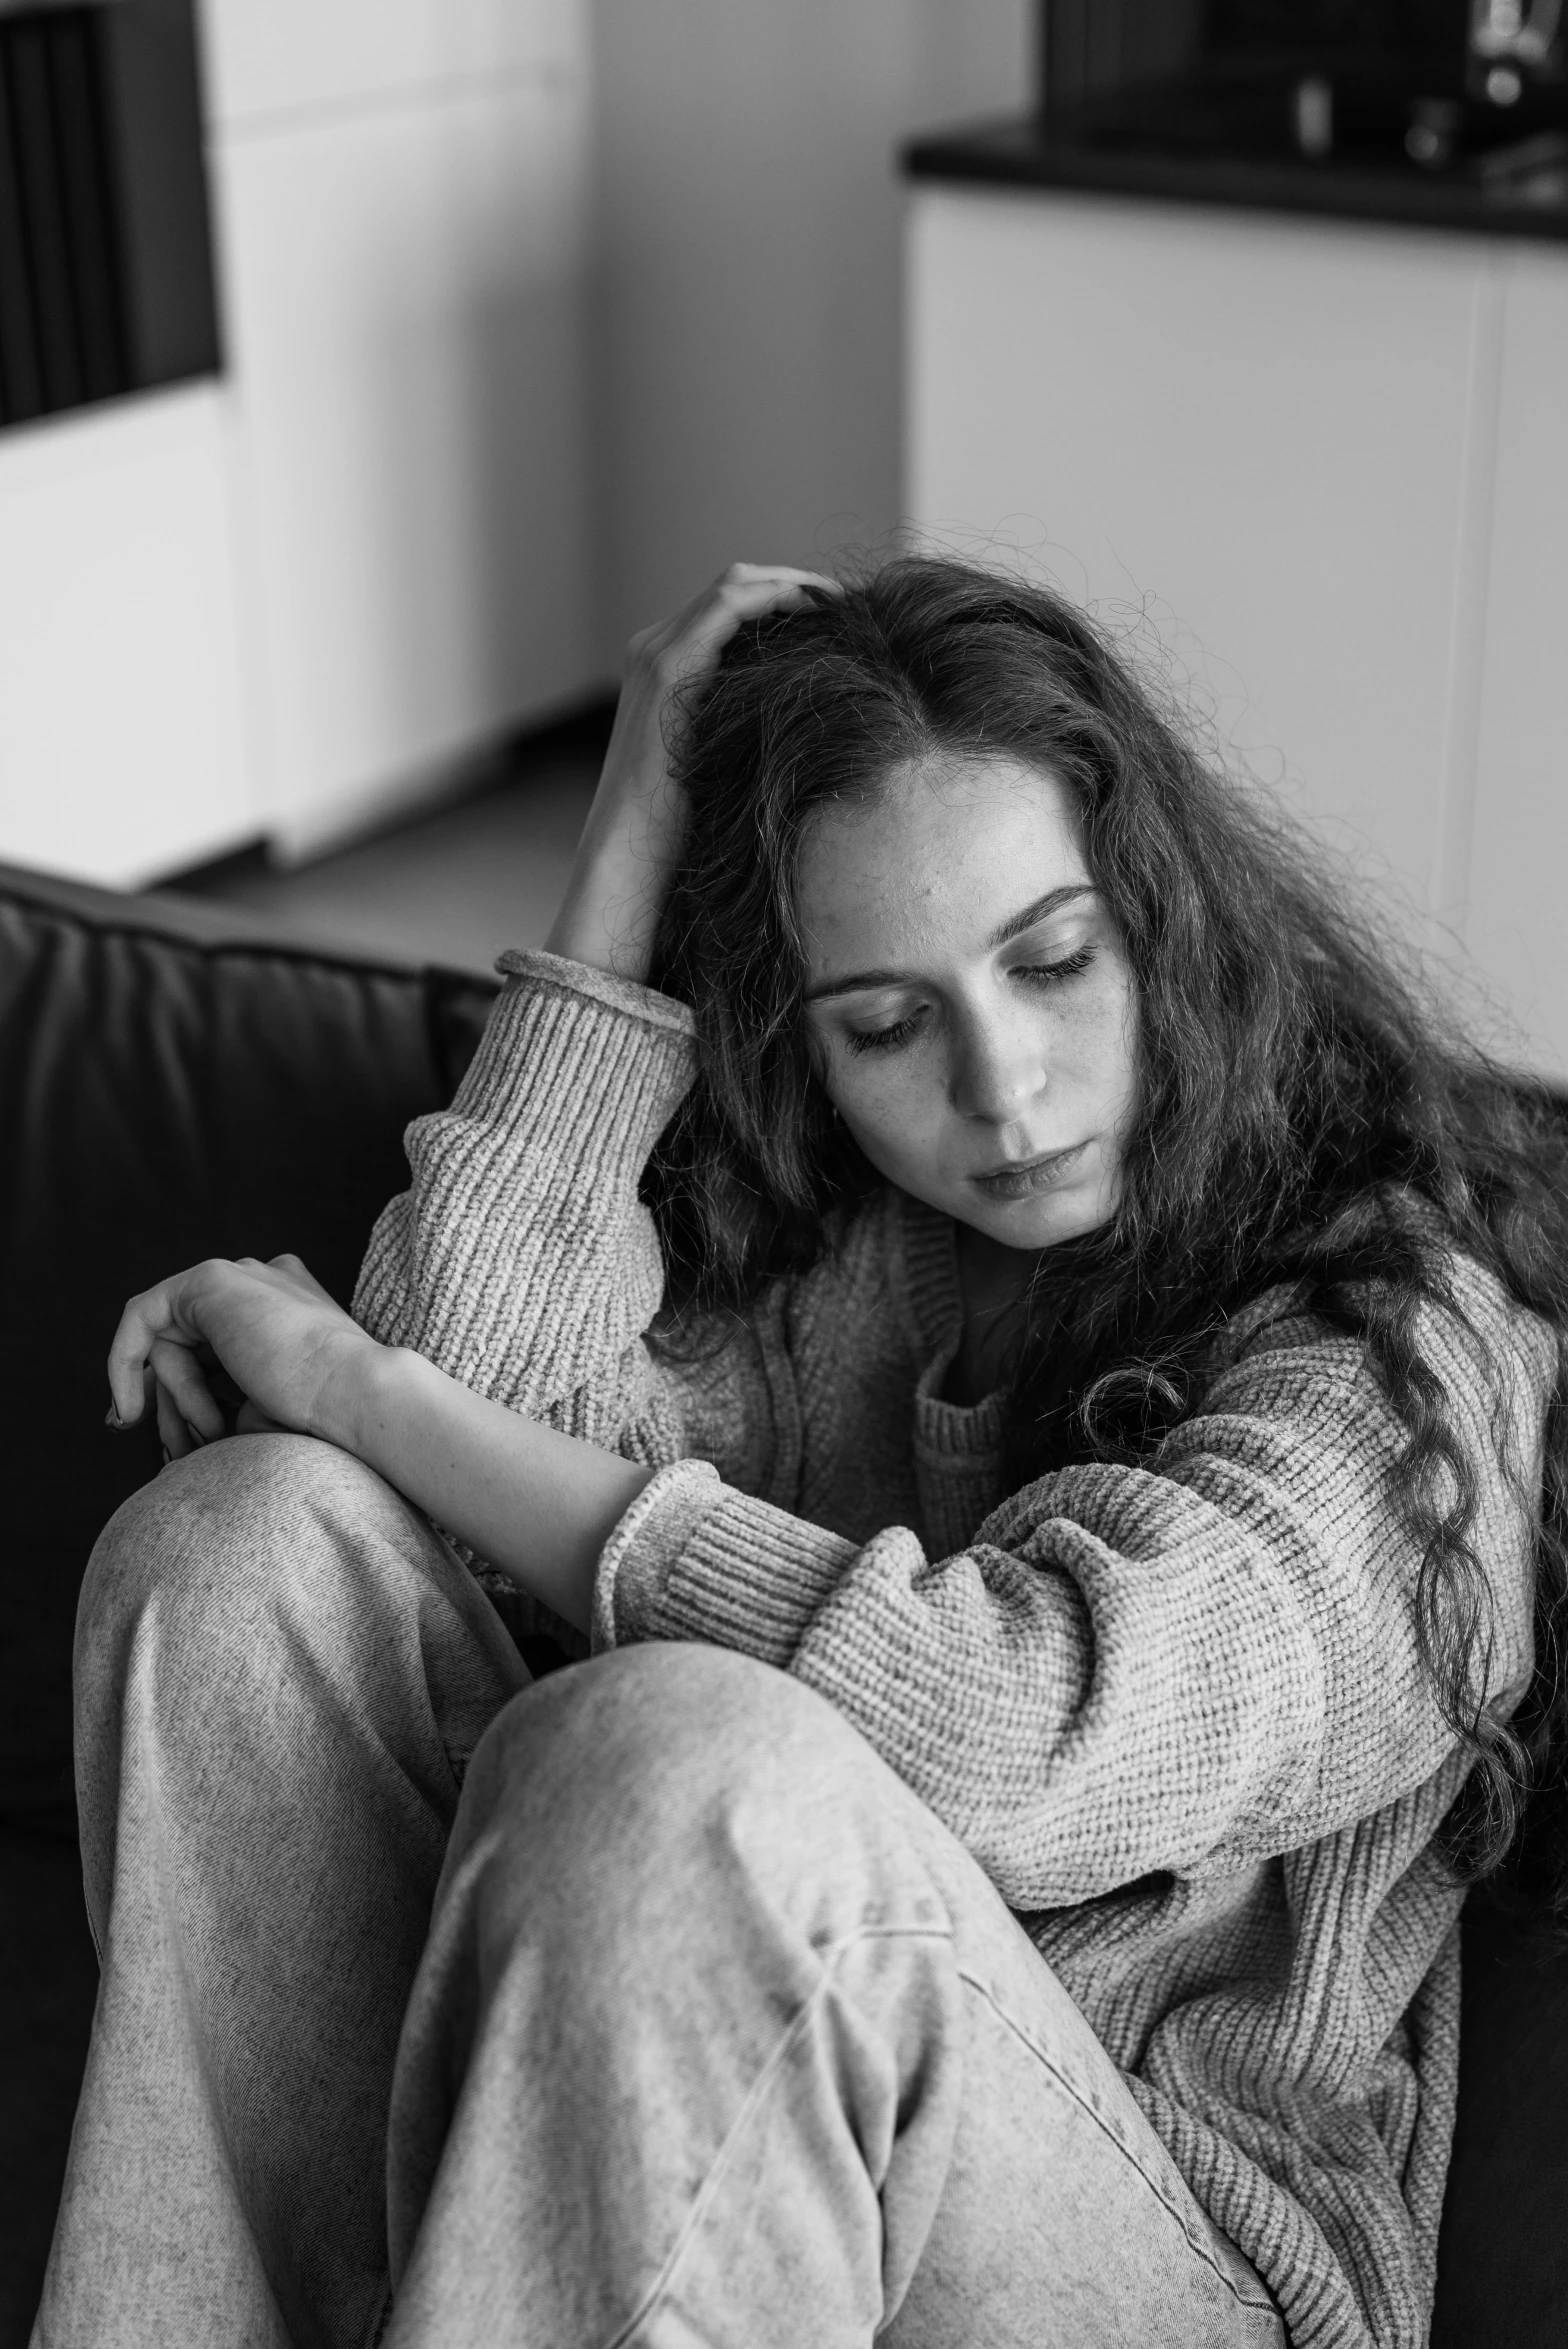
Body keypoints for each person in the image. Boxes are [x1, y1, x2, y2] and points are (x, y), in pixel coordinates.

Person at [33, 558, 1568, 2349]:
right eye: (888, 1023)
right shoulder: (824, 1258)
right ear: (806, 1041)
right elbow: (413, 1481)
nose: (1003, 1088)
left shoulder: (1404, 1346)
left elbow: (1021, 1730)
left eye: (1057, 960)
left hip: (1165, 2258)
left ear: (1174, 918)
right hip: (651, 2169)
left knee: (667, 1755)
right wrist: (625, 848)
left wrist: (365, 1388)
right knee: (243, 1539)